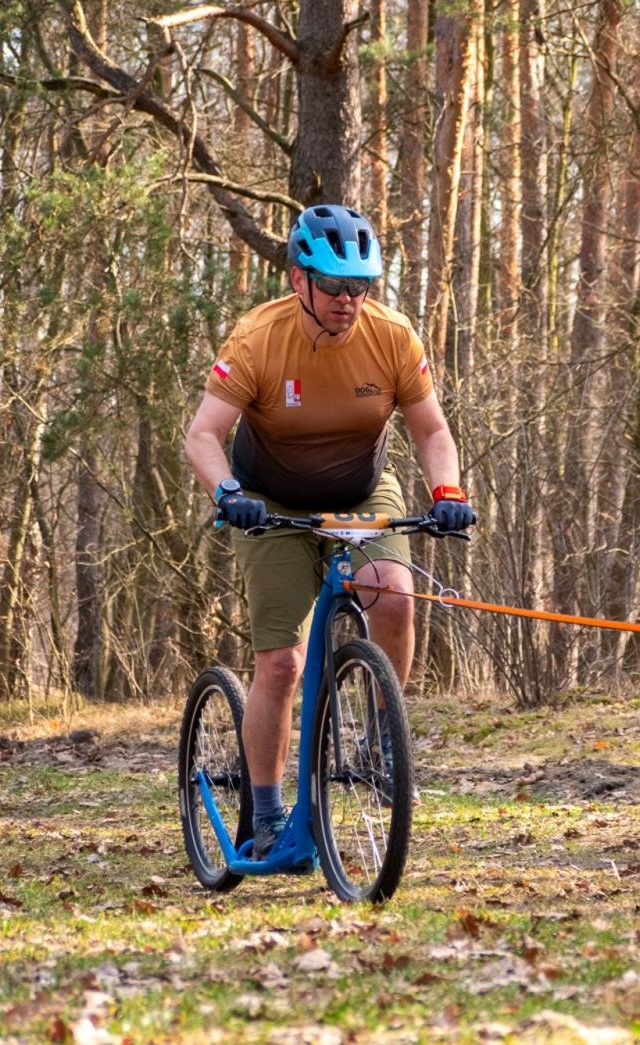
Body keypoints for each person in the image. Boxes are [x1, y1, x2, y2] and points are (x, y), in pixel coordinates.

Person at [184, 204, 475, 858]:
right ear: (298, 279)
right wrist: (228, 493)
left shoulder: (393, 336)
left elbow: (431, 431)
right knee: (282, 662)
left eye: (361, 286)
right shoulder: (258, 338)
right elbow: (202, 436)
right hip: (268, 500)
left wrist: (448, 492)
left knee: (393, 594)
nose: (349, 301)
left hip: (361, 490)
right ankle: (264, 811)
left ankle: (378, 742)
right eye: (335, 286)